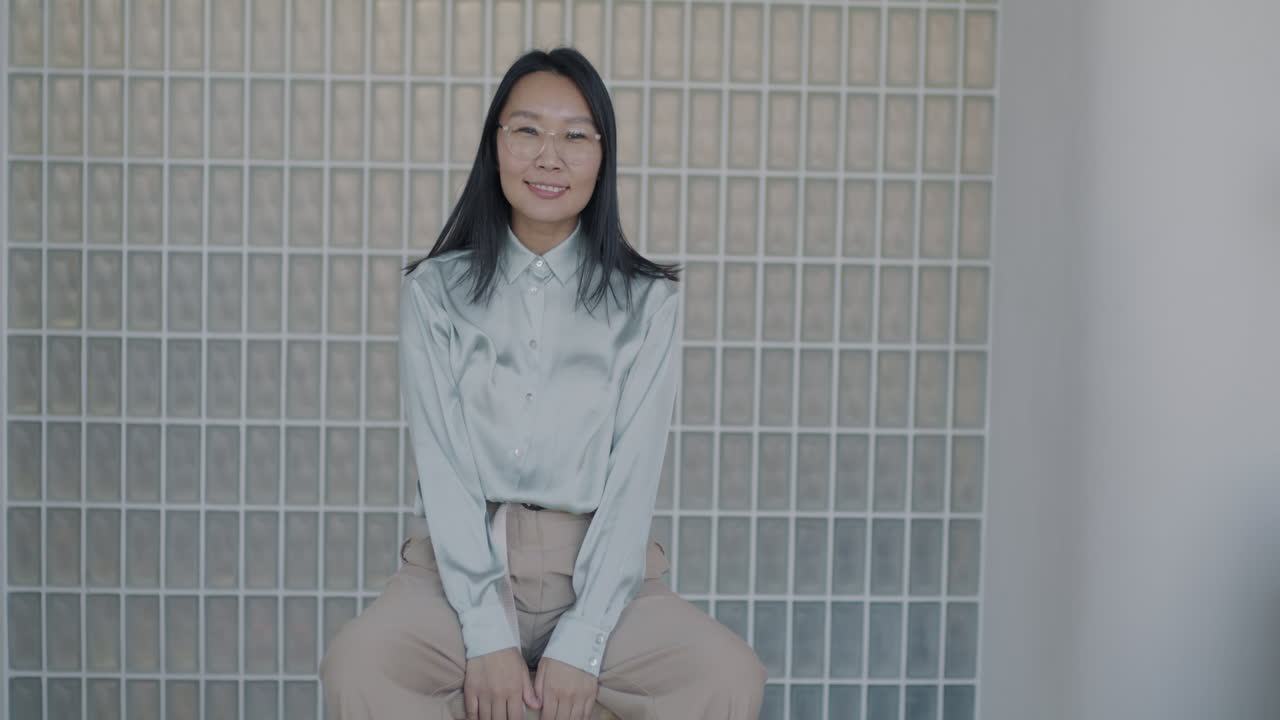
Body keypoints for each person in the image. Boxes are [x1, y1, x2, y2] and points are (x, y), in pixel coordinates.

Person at [319, 48, 767, 720]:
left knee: (728, 675)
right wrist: (487, 637)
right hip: (455, 571)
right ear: (494, 146)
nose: (549, 156)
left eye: (575, 136)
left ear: (602, 156)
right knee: (358, 663)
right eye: (527, 130)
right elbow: (443, 469)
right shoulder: (434, 292)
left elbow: (633, 478)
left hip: (602, 575)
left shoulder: (648, 303)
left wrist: (582, 644)